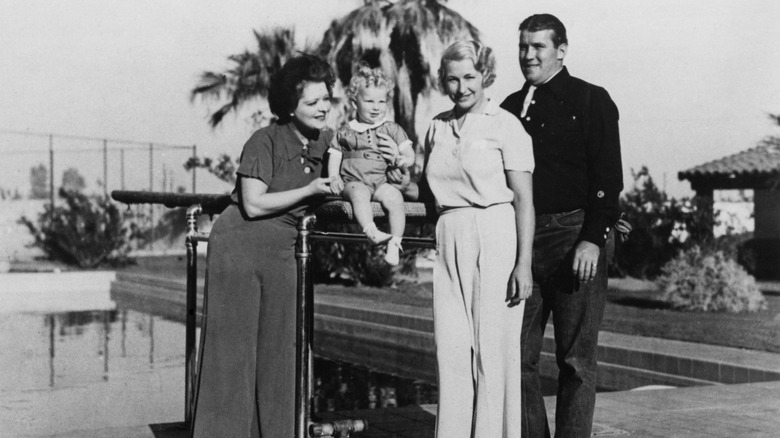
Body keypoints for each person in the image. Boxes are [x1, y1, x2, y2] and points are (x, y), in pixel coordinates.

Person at [190, 54, 336, 438]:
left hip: (283, 251)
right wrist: (309, 190)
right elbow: (253, 204)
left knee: (281, 351)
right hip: (239, 247)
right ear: (290, 105)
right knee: (233, 354)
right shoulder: (265, 140)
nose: (322, 108)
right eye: (312, 102)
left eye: (326, 99)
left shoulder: (329, 141)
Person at [396, 40, 535, 437]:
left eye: (470, 76)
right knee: (452, 349)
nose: (461, 87)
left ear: (485, 75)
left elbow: (524, 200)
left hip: (494, 232)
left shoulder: (505, 124)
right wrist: (393, 183)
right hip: (449, 232)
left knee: (493, 352)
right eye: (453, 79)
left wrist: (522, 264)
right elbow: (426, 193)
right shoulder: (437, 126)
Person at [500, 13, 623, 438]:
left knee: (576, 361)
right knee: (514, 359)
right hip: (523, 247)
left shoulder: (591, 100)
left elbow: (608, 181)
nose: (529, 55)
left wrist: (591, 240)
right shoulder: (506, 110)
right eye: (523, 46)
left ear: (561, 51)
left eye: (539, 46)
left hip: (575, 239)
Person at [327, 64, 414, 265]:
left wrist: (403, 160)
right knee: (359, 195)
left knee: (395, 198)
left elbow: (409, 155)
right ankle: (370, 231)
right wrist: (334, 177)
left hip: (381, 181)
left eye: (381, 101)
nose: (376, 107)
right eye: (369, 101)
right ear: (355, 102)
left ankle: (395, 244)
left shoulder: (391, 129)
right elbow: (335, 155)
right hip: (354, 181)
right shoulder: (346, 131)